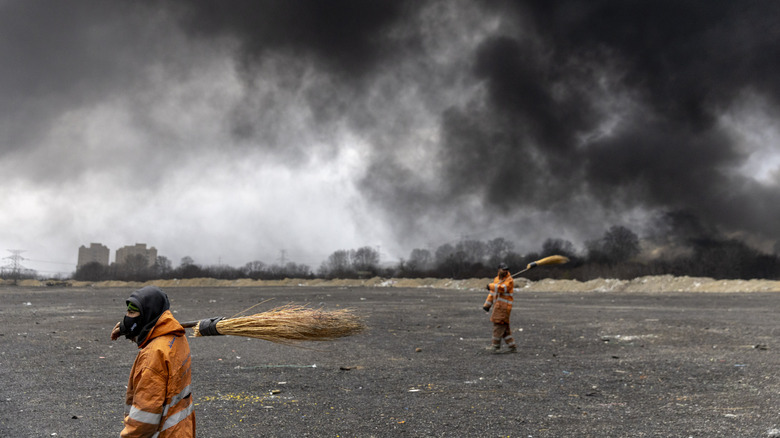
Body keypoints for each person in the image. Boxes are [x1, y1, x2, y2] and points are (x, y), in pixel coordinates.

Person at [110, 285, 196, 437]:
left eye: (131, 312)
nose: (127, 316)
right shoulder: (176, 336)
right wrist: (127, 328)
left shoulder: (154, 355)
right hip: (182, 430)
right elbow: (148, 329)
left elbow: (144, 419)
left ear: (147, 314)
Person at [482, 263, 517, 353]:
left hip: (504, 308)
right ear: (499, 270)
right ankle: (512, 346)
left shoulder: (509, 280)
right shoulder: (496, 279)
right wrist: (487, 305)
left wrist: (491, 286)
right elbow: (492, 293)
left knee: (498, 325)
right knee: (504, 328)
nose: (505, 271)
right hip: (497, 307)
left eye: (506, 269)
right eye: (503, 269)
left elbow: (502, 288)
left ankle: (495, 345)